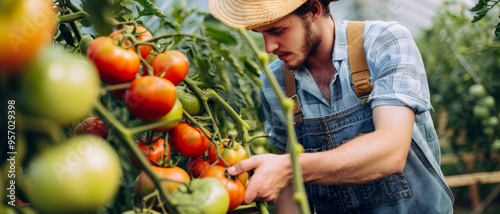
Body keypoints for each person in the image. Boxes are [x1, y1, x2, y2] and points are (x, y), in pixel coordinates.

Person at [208, 0, 454, 213]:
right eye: (259, 34)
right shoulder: (276, 83)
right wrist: (286, 172)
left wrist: (290, 168)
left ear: (314, 10)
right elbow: (292, 188)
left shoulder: (382, 42)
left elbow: (391, 152)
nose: (268, 47)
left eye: (277, 31)